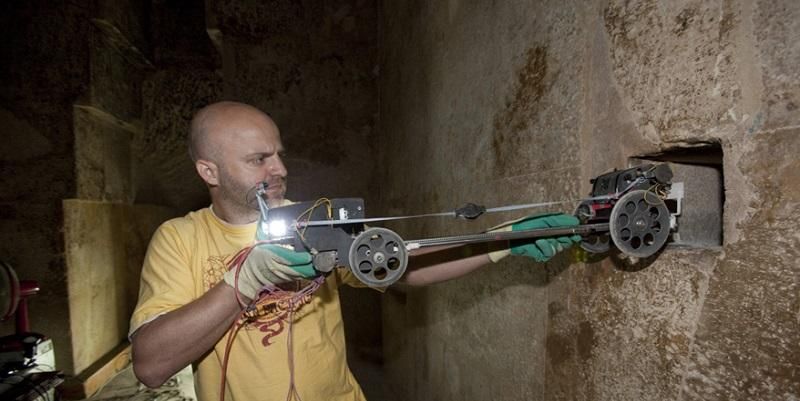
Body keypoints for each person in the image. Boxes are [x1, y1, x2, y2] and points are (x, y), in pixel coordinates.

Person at [129, 101, 581, 401]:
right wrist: (243, 282)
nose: (279, 169)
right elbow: (150, 365)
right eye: (258, 160)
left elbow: (399, 264)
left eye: (279, 154)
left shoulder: (313, 220)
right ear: (209, 170)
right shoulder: (179, 239)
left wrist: (502, 241)